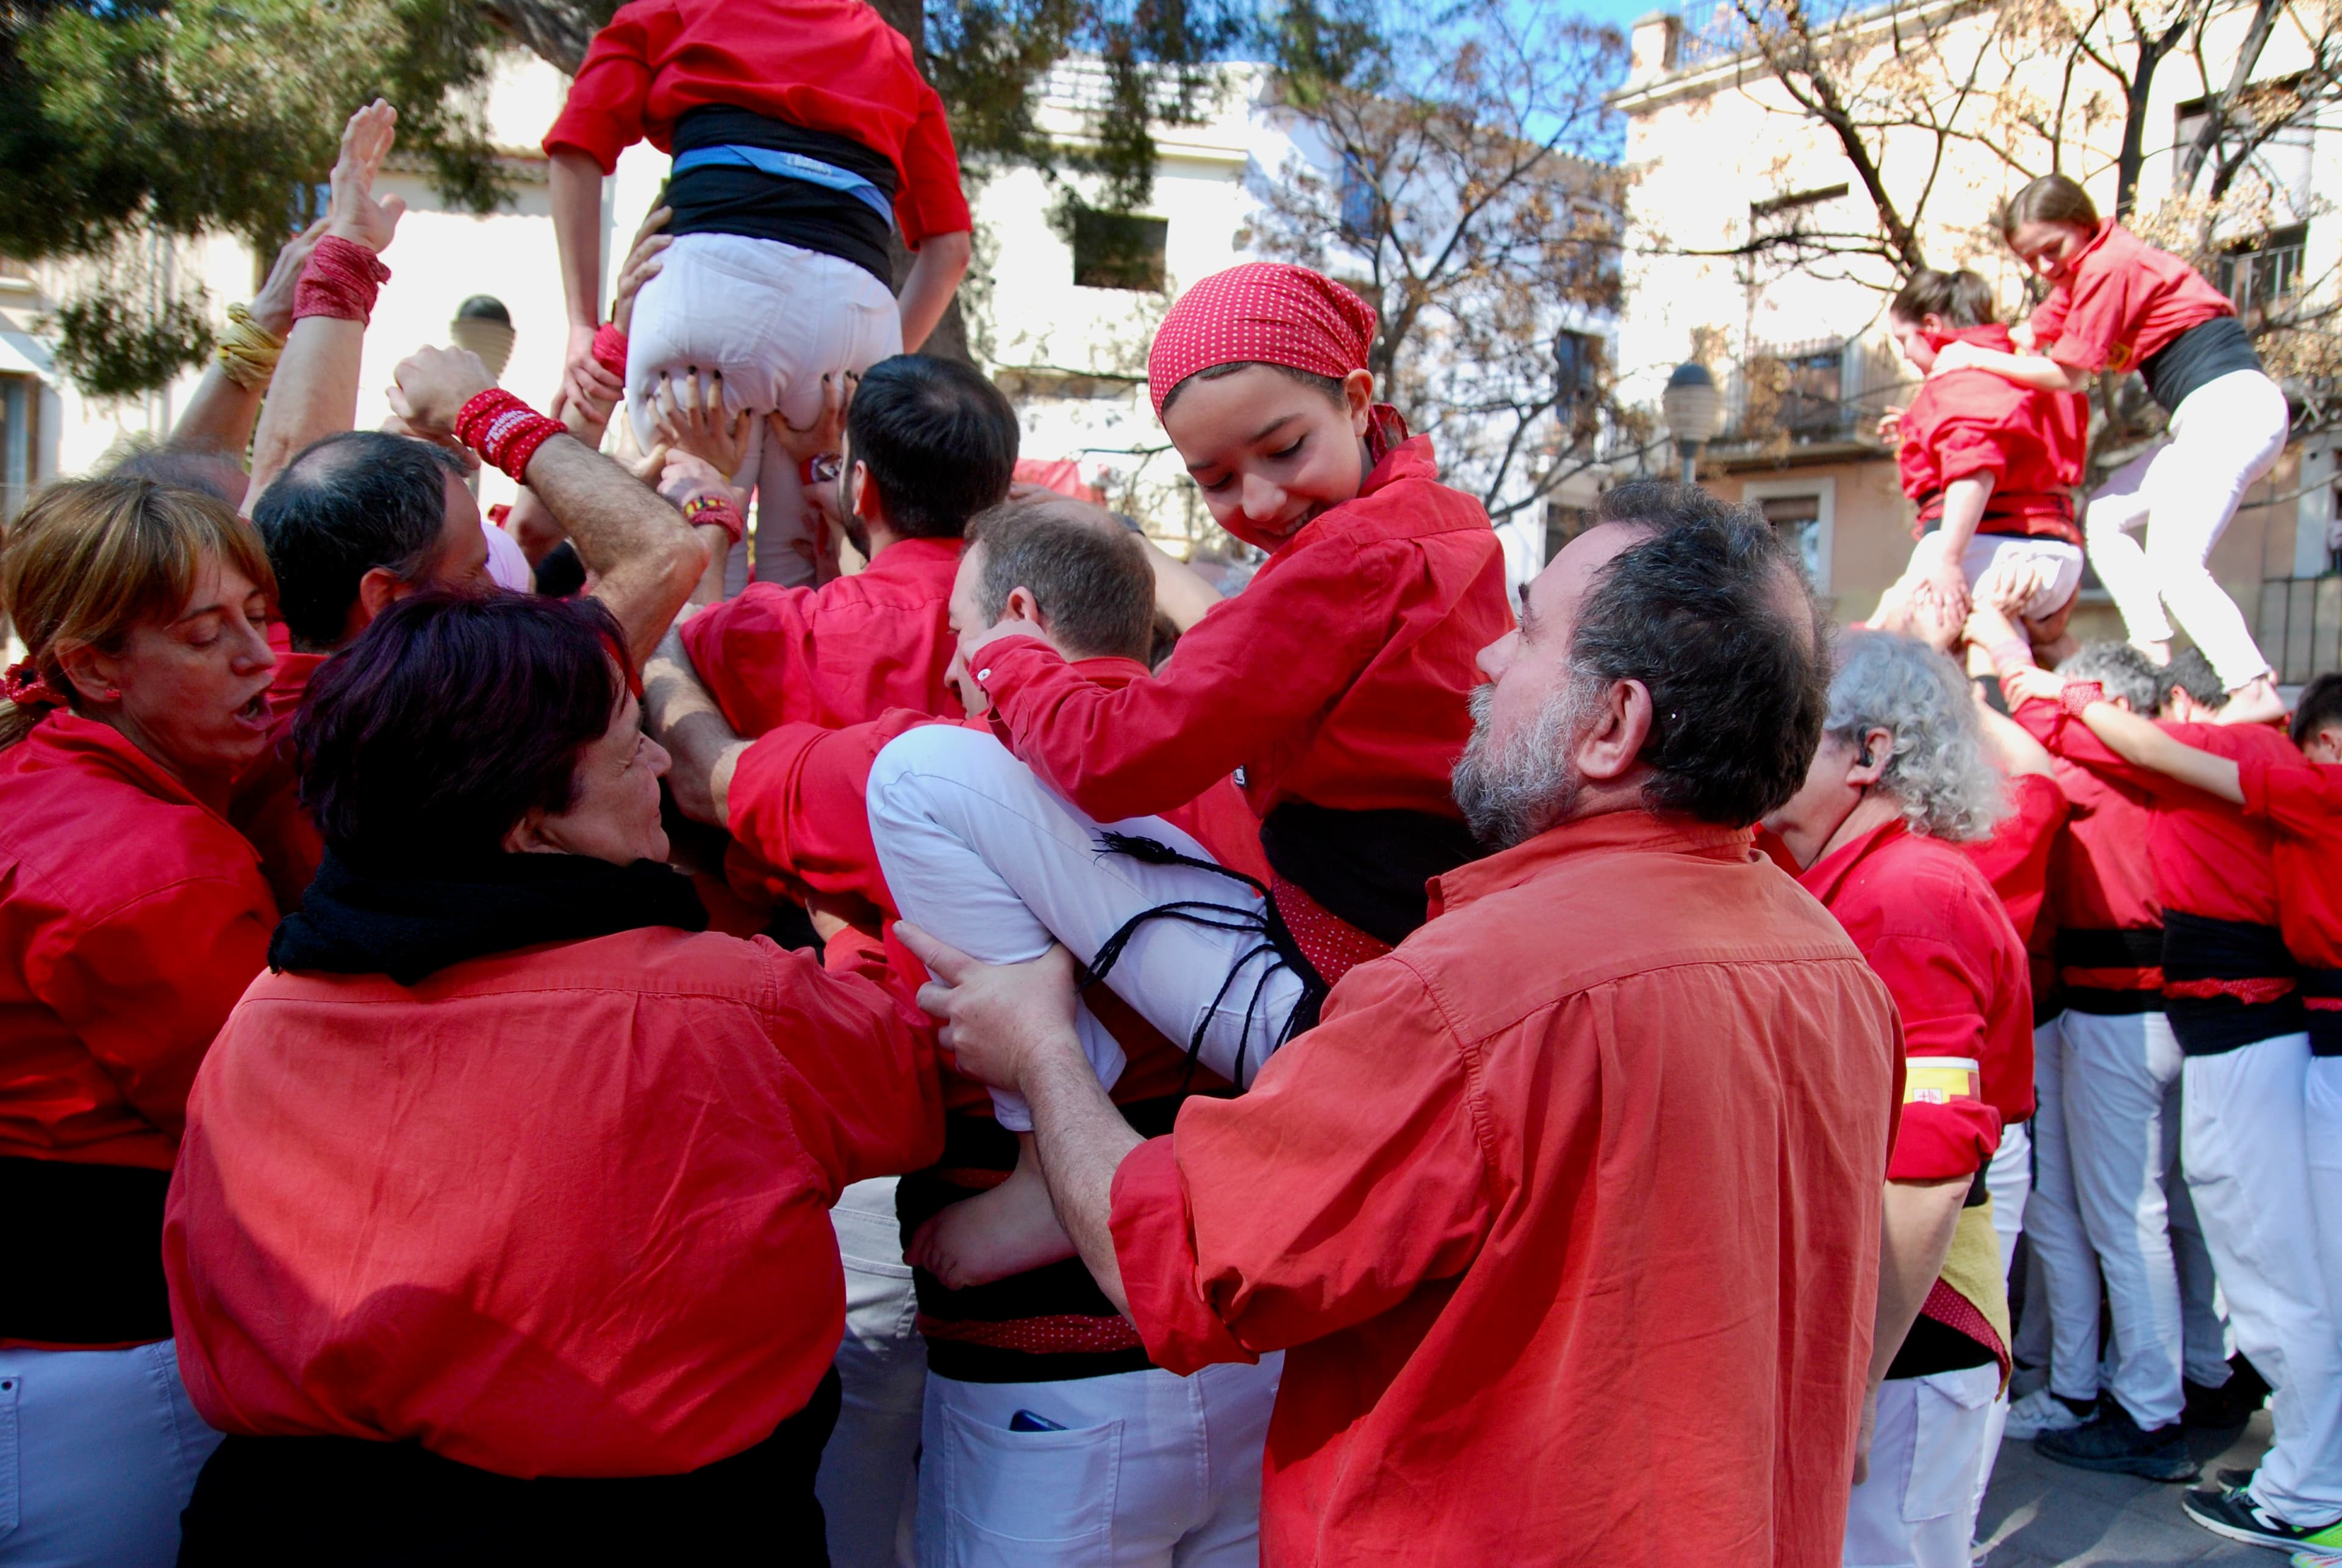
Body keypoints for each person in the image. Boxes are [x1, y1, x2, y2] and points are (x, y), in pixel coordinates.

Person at [901, 489, 1903, 1567]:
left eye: (1523, 633)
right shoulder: (1835, 968)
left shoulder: (1479, 994)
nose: (1480, 665)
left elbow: (1187, 1265)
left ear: (1613, 728)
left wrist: (1041, 1055)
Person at [163, 591, 944, 1566]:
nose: (662, 762)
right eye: (629, 750)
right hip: (634, 1535)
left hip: (280, 1525)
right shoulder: (727, 1008)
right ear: (530, 820)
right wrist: (850, 932)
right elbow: (908, 1081)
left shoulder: (260, 1019)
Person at [646, 493, 1278, 1568]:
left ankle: (1049, 1172)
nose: (946, 668)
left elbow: (713, 778)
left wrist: (660, 632)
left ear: (1016, 617)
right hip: (1257, 1342)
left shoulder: (938, 760)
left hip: (1053, 1384)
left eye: (956, 635)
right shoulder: (1243, 763)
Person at [889, 263, 1511, 1096]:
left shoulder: (1349, 558)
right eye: (1214, 479)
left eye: (1286, 448)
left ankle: (1048, 1119)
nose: (1259, 498)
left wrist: (1013, 657)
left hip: (1349, 993)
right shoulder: (1448, 522)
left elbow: (1110, 760)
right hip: (1424, 959)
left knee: (919, 774)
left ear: (1357, 400)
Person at [0, 478, 283, 1566]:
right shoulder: (150, 868)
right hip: (96, 1383)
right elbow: (256, 1128)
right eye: (209, 635)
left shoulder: (46, 772)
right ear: (91, 667)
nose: (259, 659)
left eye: (262, 617)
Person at [2004, 655, 2342, 1550]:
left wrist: (2020, 668)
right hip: (2266, 1032)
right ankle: (2287, 1455)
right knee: (2246, 1244)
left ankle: (2291, 1480)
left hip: (2241, 1033)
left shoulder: (2291, 778)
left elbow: (2110, 740)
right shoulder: (2272, 774)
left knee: (2262, 1261)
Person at [237, 338, 712, 910]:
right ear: (386, 597)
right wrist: (482, 407)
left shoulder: (258, 686)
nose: (501, 580)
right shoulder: (456, 709)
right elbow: (663, 552)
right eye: (477, 564)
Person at [545, 0, 975, 592]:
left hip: (704, 294)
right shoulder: (891, 51)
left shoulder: (677, 7)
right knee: (802, 582)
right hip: (850, 318)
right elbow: (950, 252)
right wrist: (877, 373)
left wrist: (582, 323)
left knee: (681, 566)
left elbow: (577, 145)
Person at [1764, 632, 2033, 1568]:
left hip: (1911, 1331)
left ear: (1870, 753)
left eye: (1791, 727)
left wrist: (1854, 1379)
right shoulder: (1854, 880)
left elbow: (1926, 1168)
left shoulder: (1905, 892)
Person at [1972, 624, 2237, 1464]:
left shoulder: (2098, 767)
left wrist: (2003, 652)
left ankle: (2148, 1408)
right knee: (2149, 1212)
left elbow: (2031, 746)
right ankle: (2162, 1379)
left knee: (2127, 1218)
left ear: (2112, 707)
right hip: (2152, 1012)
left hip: (2116, 1014)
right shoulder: (2169, 765)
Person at [1949, 173, 2288, 723]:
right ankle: (2151, 647)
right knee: (2105, 514)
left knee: (2176, 561)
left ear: (2084, 225)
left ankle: (2250, 686)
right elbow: (2029, 338)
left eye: (2051, 250)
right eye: (2029, 260)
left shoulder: (2110, 266)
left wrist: (1972, 359)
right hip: (2208, 418)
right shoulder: (2083, 274)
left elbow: (2070, 374)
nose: (2043, 268)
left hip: (2232, 408)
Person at [676, 353, 1018, 738]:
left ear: (860, 484)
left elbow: (687, 640)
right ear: (1002, 492)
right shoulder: (1044, 621)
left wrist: (711, 513)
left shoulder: (800, 632)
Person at [1871, 268, 2087, 640]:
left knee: (1894, 649)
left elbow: (1974, 465)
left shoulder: (1963, 375)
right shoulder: (2016, 362)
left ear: (1931, 326)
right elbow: (2016, 440)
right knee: (1984, 656)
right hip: (2046, 549)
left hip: (1995, 546)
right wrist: (1915, 427)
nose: (1905, 355)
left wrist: (1948, 559)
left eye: (1904, 340)